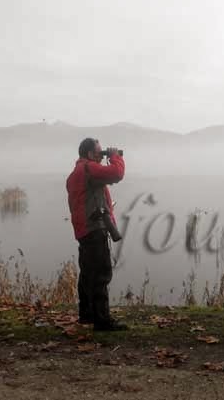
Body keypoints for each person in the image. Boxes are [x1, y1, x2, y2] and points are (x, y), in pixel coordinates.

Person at [66, 138, 127, 331]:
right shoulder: (88, 169)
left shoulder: (78, 171)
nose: (102, 155)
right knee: (101, 273)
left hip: (84, 229)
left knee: (88, 273)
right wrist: (115, 156)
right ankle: (102, 321)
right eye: (99, 152)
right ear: (91, 154)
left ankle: (87, 315)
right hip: (93, 229)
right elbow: (117, 173)